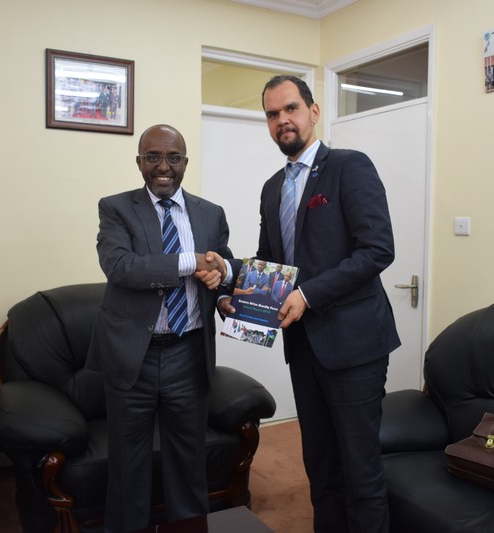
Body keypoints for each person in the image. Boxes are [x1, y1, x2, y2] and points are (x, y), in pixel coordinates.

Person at [220, 75, 400, 533]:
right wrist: (229, 283)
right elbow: (270, 264)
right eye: (272, 114)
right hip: (303, 348)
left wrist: (308, 294)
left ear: (313, 112)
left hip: (355, 347)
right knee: (320, 466)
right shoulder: (271, 188)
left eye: (291, 109)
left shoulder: (349, 167)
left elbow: (377, 250)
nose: (282, 120)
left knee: (360, 471)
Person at [87, 124, 240, 533]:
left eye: (173, 158)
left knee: (189, 465)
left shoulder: (210, 213)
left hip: (188, 354)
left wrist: (222, 291)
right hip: (132, 358)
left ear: (185, 162)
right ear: (139, 161)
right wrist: (192, 262)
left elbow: (221, 270)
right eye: (152, 157)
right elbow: (120, 267)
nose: (163, 167)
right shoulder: (116, 208)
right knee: (128, 468)